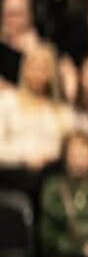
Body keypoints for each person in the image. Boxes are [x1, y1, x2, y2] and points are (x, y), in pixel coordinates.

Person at [0, 43, 73, 194]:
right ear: (24, 70)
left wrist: (48, 157)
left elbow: (69, 148)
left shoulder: (62, 111)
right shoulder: (7, 101)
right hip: (12, 173)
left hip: (50, 173)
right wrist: (24, 158)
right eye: (33, 67)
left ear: (51, 74)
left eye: (43, 69)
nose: (37, 74)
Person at [0, 0, 40, 86]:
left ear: (30, 16)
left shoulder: (40, 47)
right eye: (6, 14)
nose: (10, 20)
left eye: (16, 14)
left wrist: (33, 52)